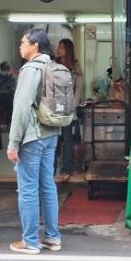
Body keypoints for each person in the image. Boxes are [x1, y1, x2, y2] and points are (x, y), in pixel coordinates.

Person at [7, 28, 62, 255]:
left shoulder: (31, 69)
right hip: (50, 133)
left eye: (23, 43)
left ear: (35, 45)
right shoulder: (52, 66)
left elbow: (21, 107)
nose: (20, 46)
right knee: (47, 185)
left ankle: (30, 241)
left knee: (28, 188)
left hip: (32, 136)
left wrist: (13, 142)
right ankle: (52, 237)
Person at [54, 38, 84, 182]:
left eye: (62, 47)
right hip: (54, 109)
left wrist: (74, 104)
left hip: (69, 109)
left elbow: (79, 88)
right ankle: (52, 170)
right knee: (54, 140)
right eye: (59, 47)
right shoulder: (53, 65)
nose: (59, 50)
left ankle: (66, 170)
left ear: (68, 50)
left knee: (67, 140)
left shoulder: (75, 67)